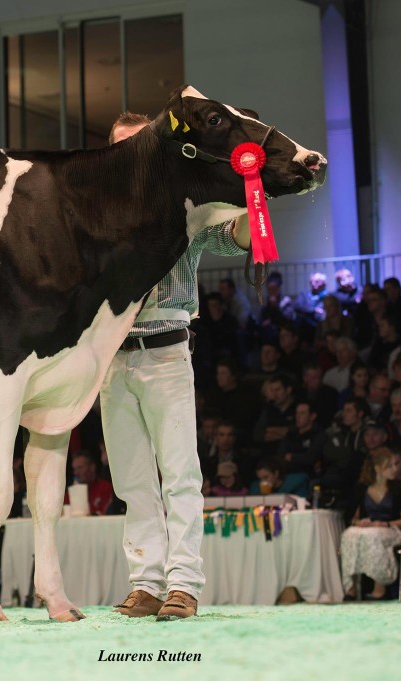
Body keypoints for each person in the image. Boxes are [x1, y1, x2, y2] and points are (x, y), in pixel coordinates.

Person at [102, 112, 252, 621]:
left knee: (180, 473)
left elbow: (239, 238)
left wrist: (254, 190)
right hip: (111, 356)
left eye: (137, 144)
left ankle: (183, 584)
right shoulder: (98, 209)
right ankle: (146, 583)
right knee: (131, 480)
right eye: (120, 146)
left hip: (166, 349)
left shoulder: (187, 205)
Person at [340, 448, 401, 599]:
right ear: (377, 469)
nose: (394, 469)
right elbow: (352, 517)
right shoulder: (362, 488)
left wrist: (385, 524)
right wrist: (359, 522)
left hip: (393, 528)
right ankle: (350, 587)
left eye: (394, 465)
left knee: (375, 536)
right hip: (369, 528)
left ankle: (379, 587)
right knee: (349, 535)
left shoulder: (399, 488)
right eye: (389, 466)